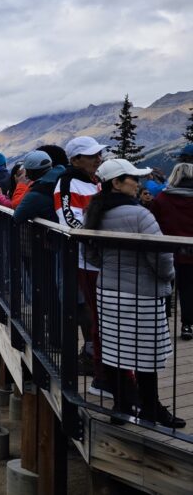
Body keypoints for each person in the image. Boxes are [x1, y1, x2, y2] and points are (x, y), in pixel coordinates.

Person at [85, 158, 184, 428]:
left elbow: (90, 252)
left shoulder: (96, 213)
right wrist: (169, 277)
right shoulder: (140, 215)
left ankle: (122, 406)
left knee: (116, 349)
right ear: (116, 183)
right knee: (146, 354)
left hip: (108, 291)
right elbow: (161, 256)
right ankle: (151, 408)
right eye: (132, 178)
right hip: (142, 294)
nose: (137, 183)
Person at [55, 136, 108, 388]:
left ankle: (101, 366)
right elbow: (70, 221)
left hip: (101, 259)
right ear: (75, 160)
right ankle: (99, 368)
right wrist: (102, 239)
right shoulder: (67, 183)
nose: (98, 158)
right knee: (96, 314)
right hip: (88, 260)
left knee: (102, 315)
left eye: (99, 154)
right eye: (92, 155)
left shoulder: (94, 181)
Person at [150, 163, 193, 341]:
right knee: (189, 289)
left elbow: (153, 223)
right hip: (190, 253)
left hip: (166, 250)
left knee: (165, 289)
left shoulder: (161, 199)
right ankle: (187, 325)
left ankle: (163, 326)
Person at [13, 150, 64, 224]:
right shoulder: (65, 177)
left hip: (54, 234)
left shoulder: (36, 194)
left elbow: (17, 217)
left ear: (32, 172)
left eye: (27, 171)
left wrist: (22, 185)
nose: (26, 175)